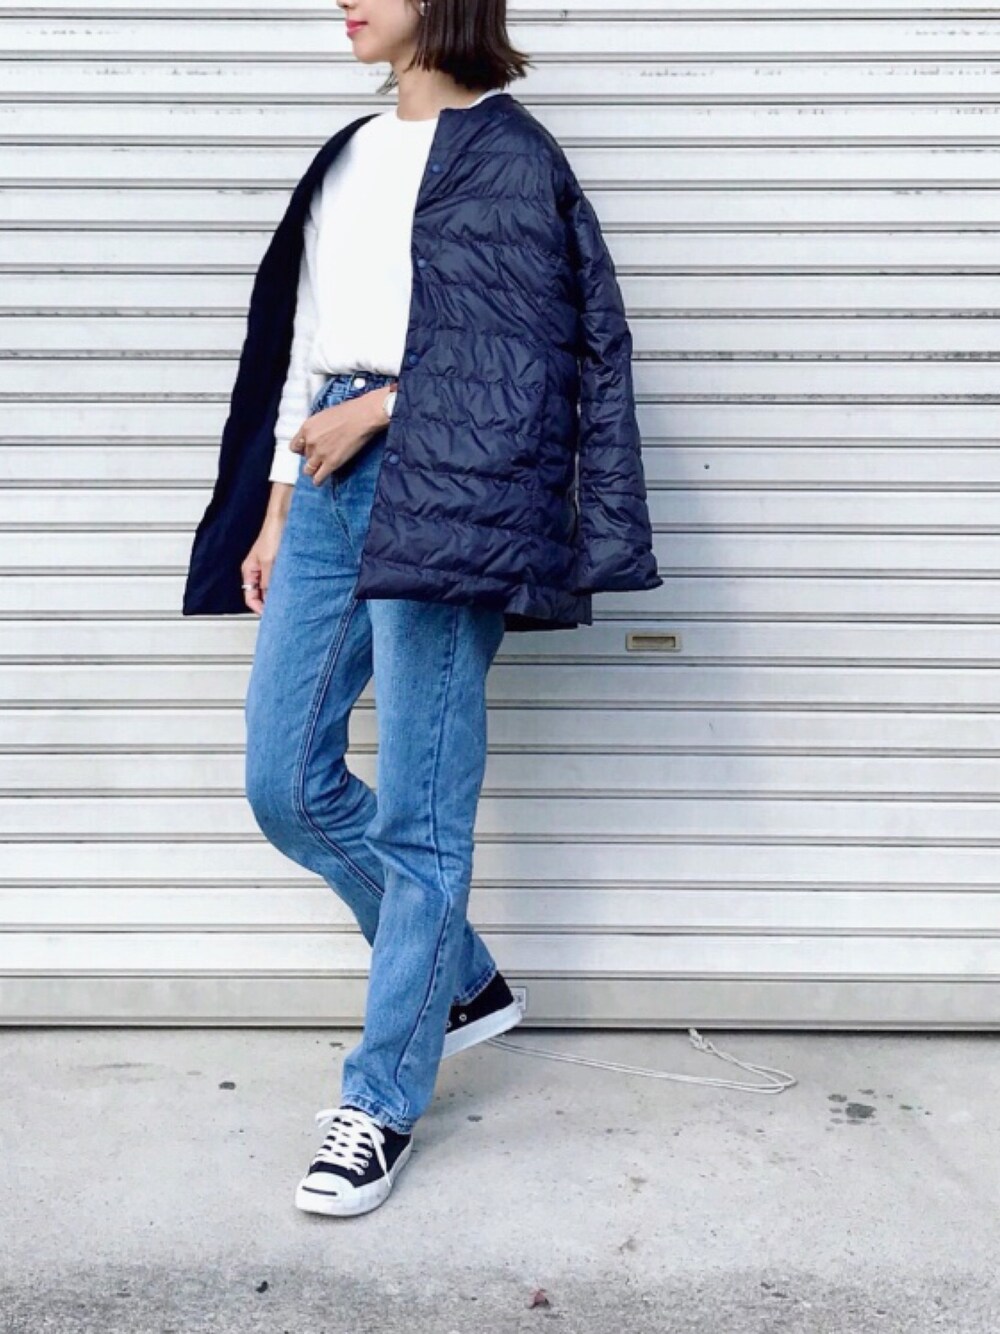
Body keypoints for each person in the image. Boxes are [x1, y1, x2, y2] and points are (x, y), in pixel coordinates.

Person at [182, 0, 661, 1220]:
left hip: (450, 476)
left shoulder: (512, 155)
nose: (345, 1)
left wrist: (383, 407)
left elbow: (536, 349)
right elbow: (302, 341)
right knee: (283, 780)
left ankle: (381, 1098)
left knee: (422, 807)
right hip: (326, 475)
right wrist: (277, 504)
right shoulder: (349, 151)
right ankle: (460, 976)